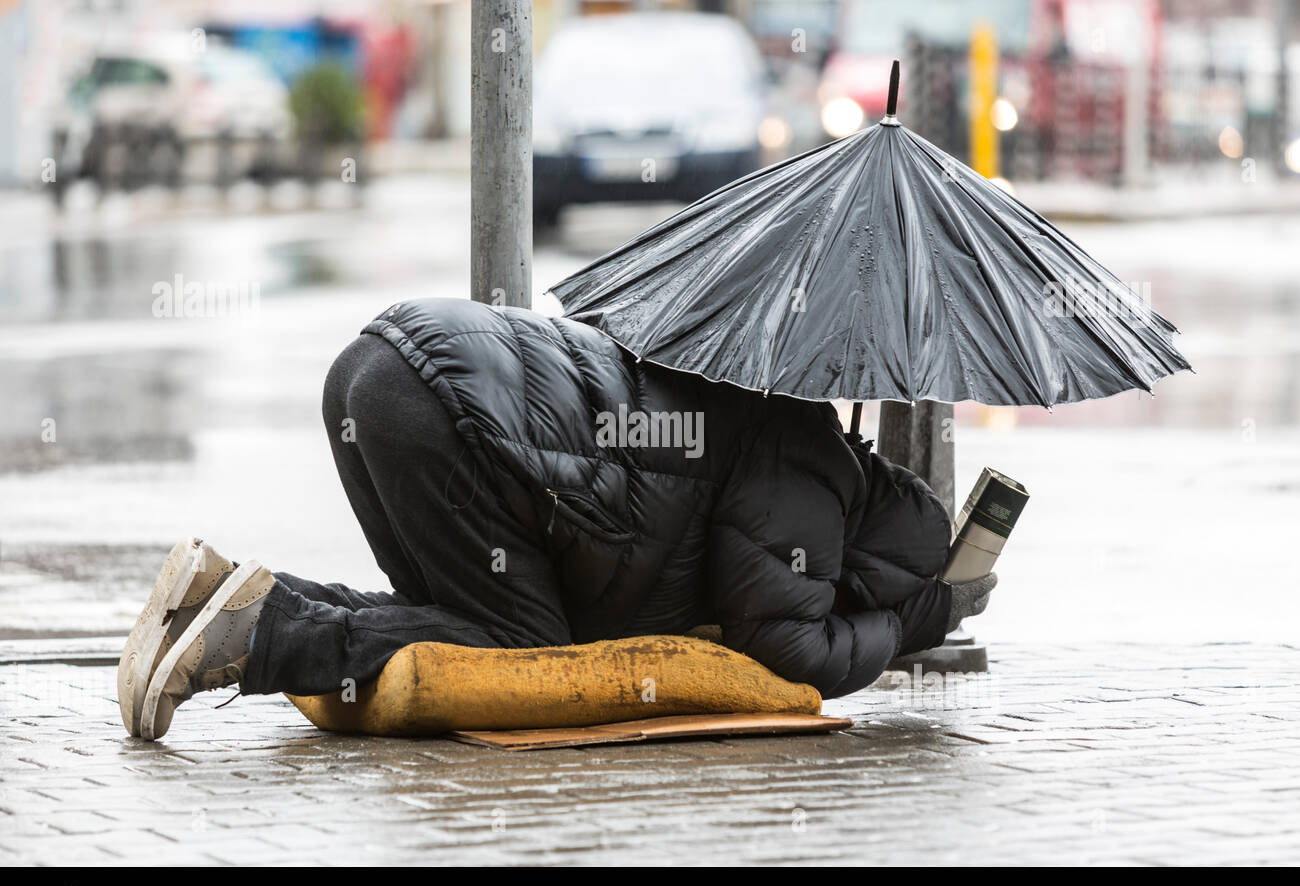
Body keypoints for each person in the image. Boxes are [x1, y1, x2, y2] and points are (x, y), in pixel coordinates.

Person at [118, 298, 996, 740]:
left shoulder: (765, 410)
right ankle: (256, 637)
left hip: (382, 368)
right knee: (519, 647)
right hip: (442, 410)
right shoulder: (809, 475)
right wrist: (919, 618)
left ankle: (220, 593)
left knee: (455, 618)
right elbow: (789, 652)